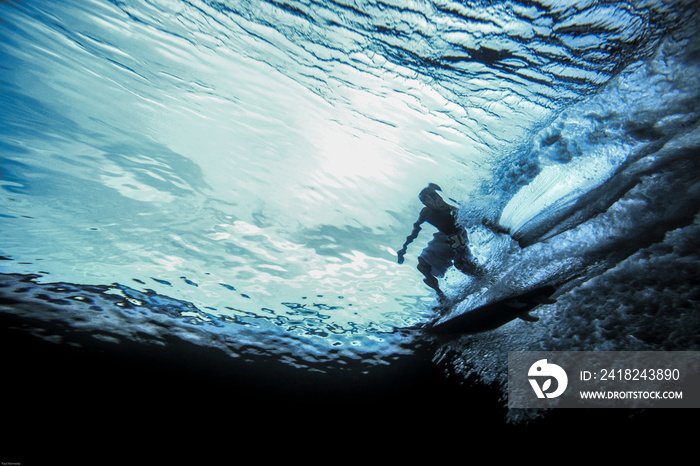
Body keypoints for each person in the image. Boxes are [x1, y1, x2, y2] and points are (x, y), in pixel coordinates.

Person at [396, 183, 484, 302]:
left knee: (460, 264)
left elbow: (475, 217)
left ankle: (483, 275)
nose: (427, 203)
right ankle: (441, 296)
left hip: (458, 237)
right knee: (422, 265)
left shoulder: (452, 210)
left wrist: (500, 229)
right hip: (442, 239)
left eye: (428, 200)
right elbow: (416, 229)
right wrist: (404, 248)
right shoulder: (426, 212)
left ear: (436, 197)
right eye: (424, 202)